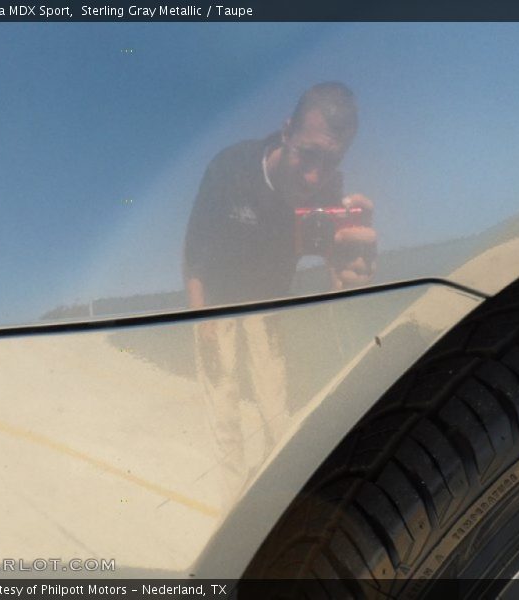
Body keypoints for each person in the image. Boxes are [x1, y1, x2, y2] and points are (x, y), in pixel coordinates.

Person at [182, 82, 376, 501]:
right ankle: (234, 507)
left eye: (330, 161)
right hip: (217, 306)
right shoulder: (231, 168)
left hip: (269, 310)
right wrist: (201, 321)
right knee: (225, 415)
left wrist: (346, 277)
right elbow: (194, 250)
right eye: (308, 154)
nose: (314, 176)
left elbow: (331, 260)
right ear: (286, 131)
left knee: (277, 413)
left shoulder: (326, 188)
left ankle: (272, 498)